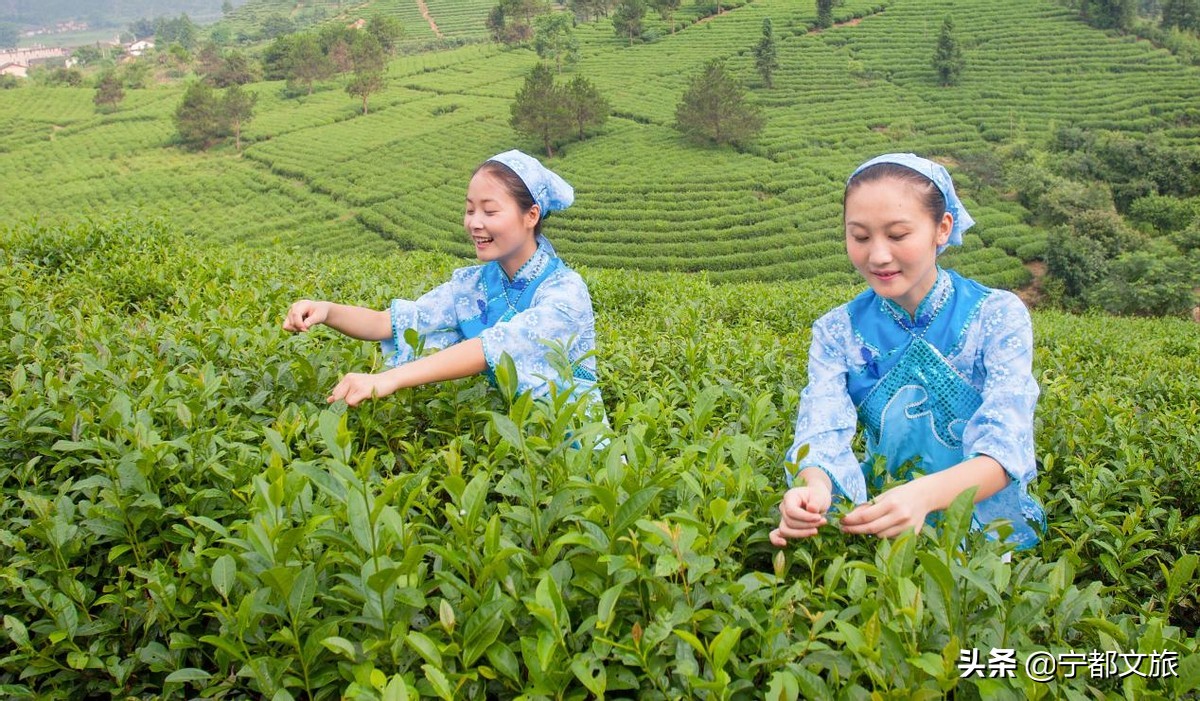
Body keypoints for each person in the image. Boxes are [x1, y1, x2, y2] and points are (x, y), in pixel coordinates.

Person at [770, 153, 1045, 550]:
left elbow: (1005, 445)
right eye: (860, 237)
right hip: (885, 522)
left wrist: (924, 496)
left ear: (942, 228)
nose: (878, 256)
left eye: (898, 235)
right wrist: (814, 490)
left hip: (990, 535)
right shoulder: (836, 331)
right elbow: (822, 429)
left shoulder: (996, 315)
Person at [283, 149, 602, 411]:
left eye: (489, 212)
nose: (474, 223)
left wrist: (391, 378)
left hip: (571, 451)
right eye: (469, 210)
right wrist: (326, 311)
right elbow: (391, 323)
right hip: (509, 443)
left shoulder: (564, 293)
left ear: (531, 215)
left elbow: (492, 349)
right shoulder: (474, 286)